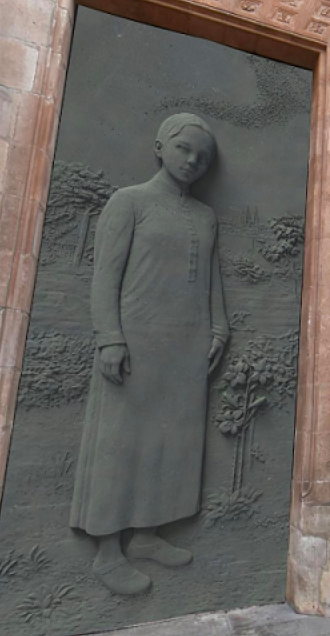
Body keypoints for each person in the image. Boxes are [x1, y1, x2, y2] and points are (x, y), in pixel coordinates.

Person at [70, 113, 229, 595]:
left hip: (187, 347)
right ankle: (106, 552)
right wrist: (110, 338)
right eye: (183, 149)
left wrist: (219, 326)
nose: (192, 161)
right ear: (159, 146)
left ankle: (147, 535)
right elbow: (106, 279)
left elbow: (212, 278)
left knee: (171, 445)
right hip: (135, 344)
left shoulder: (205, 217)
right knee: (123, 442)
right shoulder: (129, 203)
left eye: (202, 157)